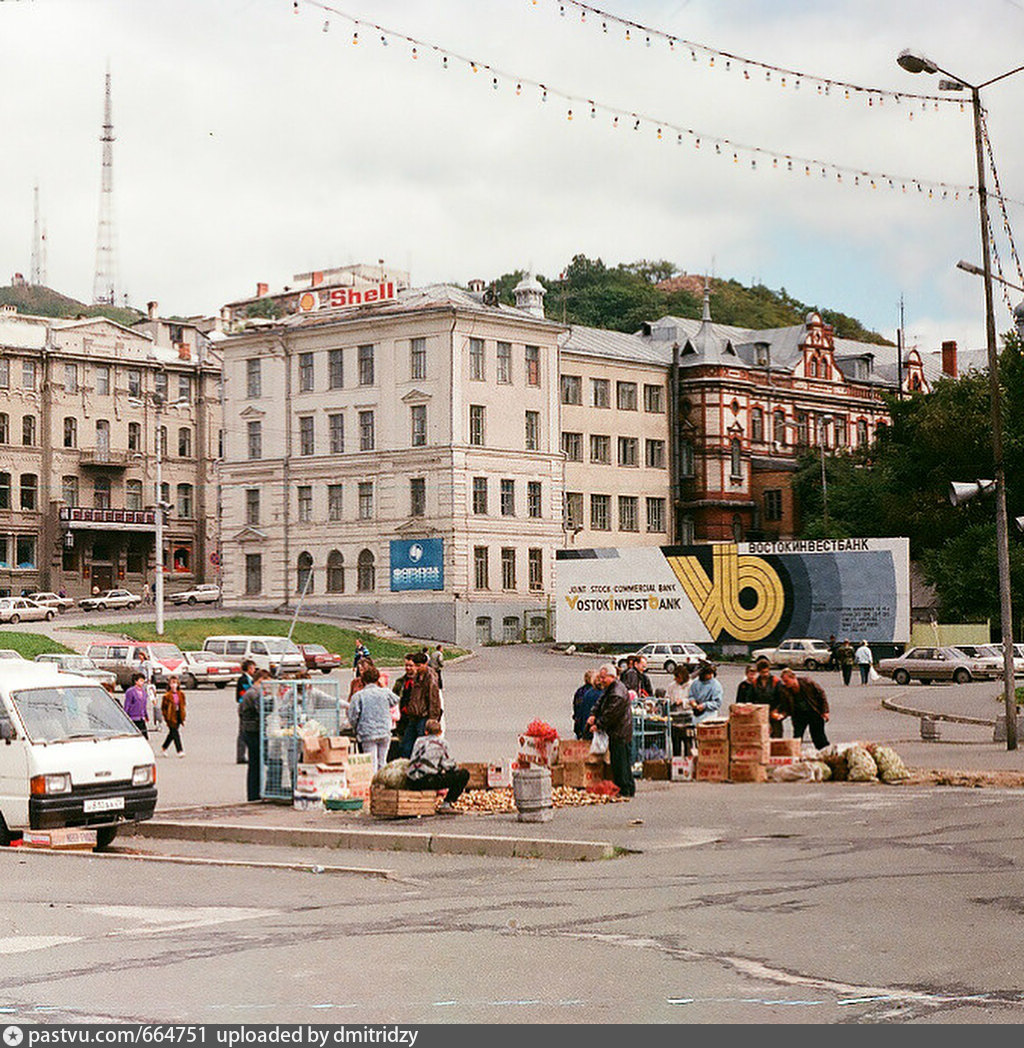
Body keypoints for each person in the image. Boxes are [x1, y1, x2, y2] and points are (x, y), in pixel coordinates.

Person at [587, 663, 634, 798]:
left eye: (603, 678)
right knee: (622, 760)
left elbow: (610, 715)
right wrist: (593, 714)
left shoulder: (617, 693)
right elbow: (600, 702)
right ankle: (628, 787)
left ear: (611, 676)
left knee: (620, 762)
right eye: (600, 677)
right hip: (619, 730)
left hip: (620, 731)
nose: (601, 680)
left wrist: (598, 724)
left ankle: (624, 789)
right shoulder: (610, 688)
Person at [406, 719, 470, 813]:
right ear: (440, 732)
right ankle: (446, 804)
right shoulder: (442, 744)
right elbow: (449, 766)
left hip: (411, 780)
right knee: (463, 774)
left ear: (426, 731)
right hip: (427, 780)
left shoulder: (418, 741)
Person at [347, 663, 398, 772]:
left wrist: (356, 727)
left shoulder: (359, 696)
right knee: (382, 761)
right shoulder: (385, 692)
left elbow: (353, 716)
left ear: (363, 680)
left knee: (371, 762)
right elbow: (395, 700)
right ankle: (382, 783)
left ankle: (373, 785)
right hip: (384, 730)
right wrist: (383, 686)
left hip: (367, 732)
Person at [400, 651, 442, 757]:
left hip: (424, 717)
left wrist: (432, 719)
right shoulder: (416, 676)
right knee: (406, 746)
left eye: (419, 666)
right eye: (416, 666)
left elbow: (434, 699)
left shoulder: (430, 677)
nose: (417, 668)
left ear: (425, 664)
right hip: (413, 716)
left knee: (422, 746)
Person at [239, 669, 271, 801]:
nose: (269, 686)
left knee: (255, 764)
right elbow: (262, 711)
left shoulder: (252, 693)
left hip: (249, 730)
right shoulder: (255, 693)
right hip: (253, 731)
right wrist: (272, 701)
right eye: (268, 682)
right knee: (255, 764)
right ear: (261, 680)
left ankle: (255, 793)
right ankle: (254, 795)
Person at [779, 667, 830, 749]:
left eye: (786, 681)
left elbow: (821, 695)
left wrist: (825, 711)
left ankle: (826, 753)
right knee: (797, 737)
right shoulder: (785, 690)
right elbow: (785, 705)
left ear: (793, 678)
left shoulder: (807, 683)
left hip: (813, 711)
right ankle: (795, 755)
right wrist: (782, 714)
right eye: (784, 682)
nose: (785, 683)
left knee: (818, 737)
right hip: (798, 715)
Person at [753, 657, 787, 738]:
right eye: (762, 672)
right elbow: (750, 698)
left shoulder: (776, 681)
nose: (765, 674)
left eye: (766, 672)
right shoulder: (754, 683)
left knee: (776, 735)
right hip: (760, 713)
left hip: (774, 712)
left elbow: (782, 699)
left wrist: (777, 710)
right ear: (759, 672)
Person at [667, 663, 694, 757]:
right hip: (675, 719)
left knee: (688, 745)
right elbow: (668, 697)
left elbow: (695, 700)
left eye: (678, 677)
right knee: (676, 746)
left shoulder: (691, 685)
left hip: (687, 718)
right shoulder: (672, 686)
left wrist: (683, 701)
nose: (676, 680)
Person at [160, 675, 187, 757]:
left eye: (175, 683)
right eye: (172, 683)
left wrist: (183, 715)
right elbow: (163, 708)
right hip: (171, 716)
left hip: (178, 715)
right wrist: (166, 717)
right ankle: (180, 750)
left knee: (172, 734)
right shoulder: (167, 696)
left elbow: (183, 705)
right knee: (175, 733)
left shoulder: (181, 694)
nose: (173, 685)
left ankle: (164, 747)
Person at [235, 659, 256, 763]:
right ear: (248, 669)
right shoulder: (243, 680)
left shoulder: (251, 679)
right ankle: (240, 755)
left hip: (247, 705)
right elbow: (243, 694)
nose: (254, 670)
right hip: (244, 706)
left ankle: (243, 755)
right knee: (243, 732)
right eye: (253, 668)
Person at [572, 670, 602, 740]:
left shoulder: (581, 691)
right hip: (593, 726)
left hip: (581, 724)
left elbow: (577, 707)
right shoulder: (600, 693)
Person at [122, 672, 149, 737]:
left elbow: (144, 705)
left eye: (143, 681)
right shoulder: (130, 691)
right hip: (133, 717)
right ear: (136, 681)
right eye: (141, 681)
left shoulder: (144, 692)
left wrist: (146, 715)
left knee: (144, 736)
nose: (142, 683)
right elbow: (127, 704)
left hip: (141, 718)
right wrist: (125, 715)